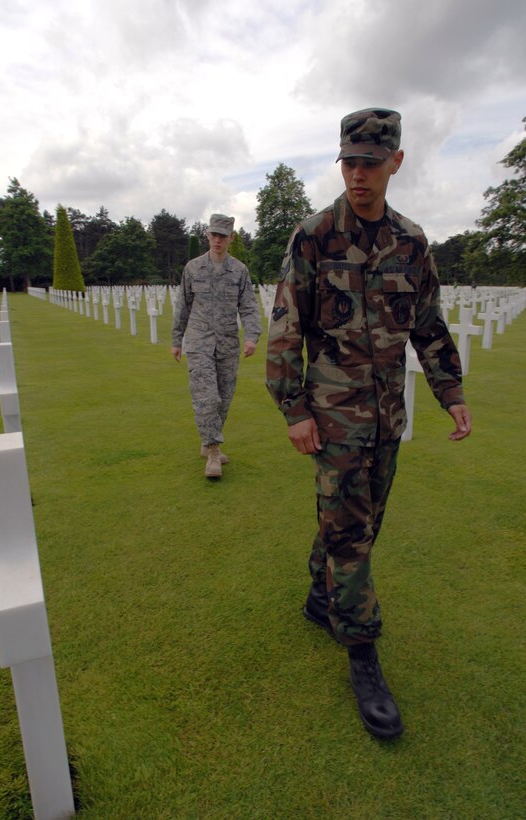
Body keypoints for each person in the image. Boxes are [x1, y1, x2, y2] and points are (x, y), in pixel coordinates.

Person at [266, 108, 472, 739]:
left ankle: (318, 594)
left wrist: (452, 392)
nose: (358, 175)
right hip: (332, 419)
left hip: (387, 417)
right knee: (352, 533)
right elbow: (285, 329)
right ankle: (363, 654)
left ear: (396, 164)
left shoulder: (411, 243)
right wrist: (294, 409)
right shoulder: (314, 235)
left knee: (361, 520)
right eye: (349, 162)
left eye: (370, 163)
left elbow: (429, 326)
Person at [172, 214, 262, 479]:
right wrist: (177, 340)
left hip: (227, 344)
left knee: (224, 397)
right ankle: (213, 453)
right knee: (206, 397)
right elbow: (182, 306)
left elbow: (248, 306)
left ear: (231, 238)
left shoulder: (239, 271)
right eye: (214, 234)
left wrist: (251, 337)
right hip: (199, 341)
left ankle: (208, 440)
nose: (217, 240)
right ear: (208, 236)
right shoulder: (193, 268)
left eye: (223, 235)